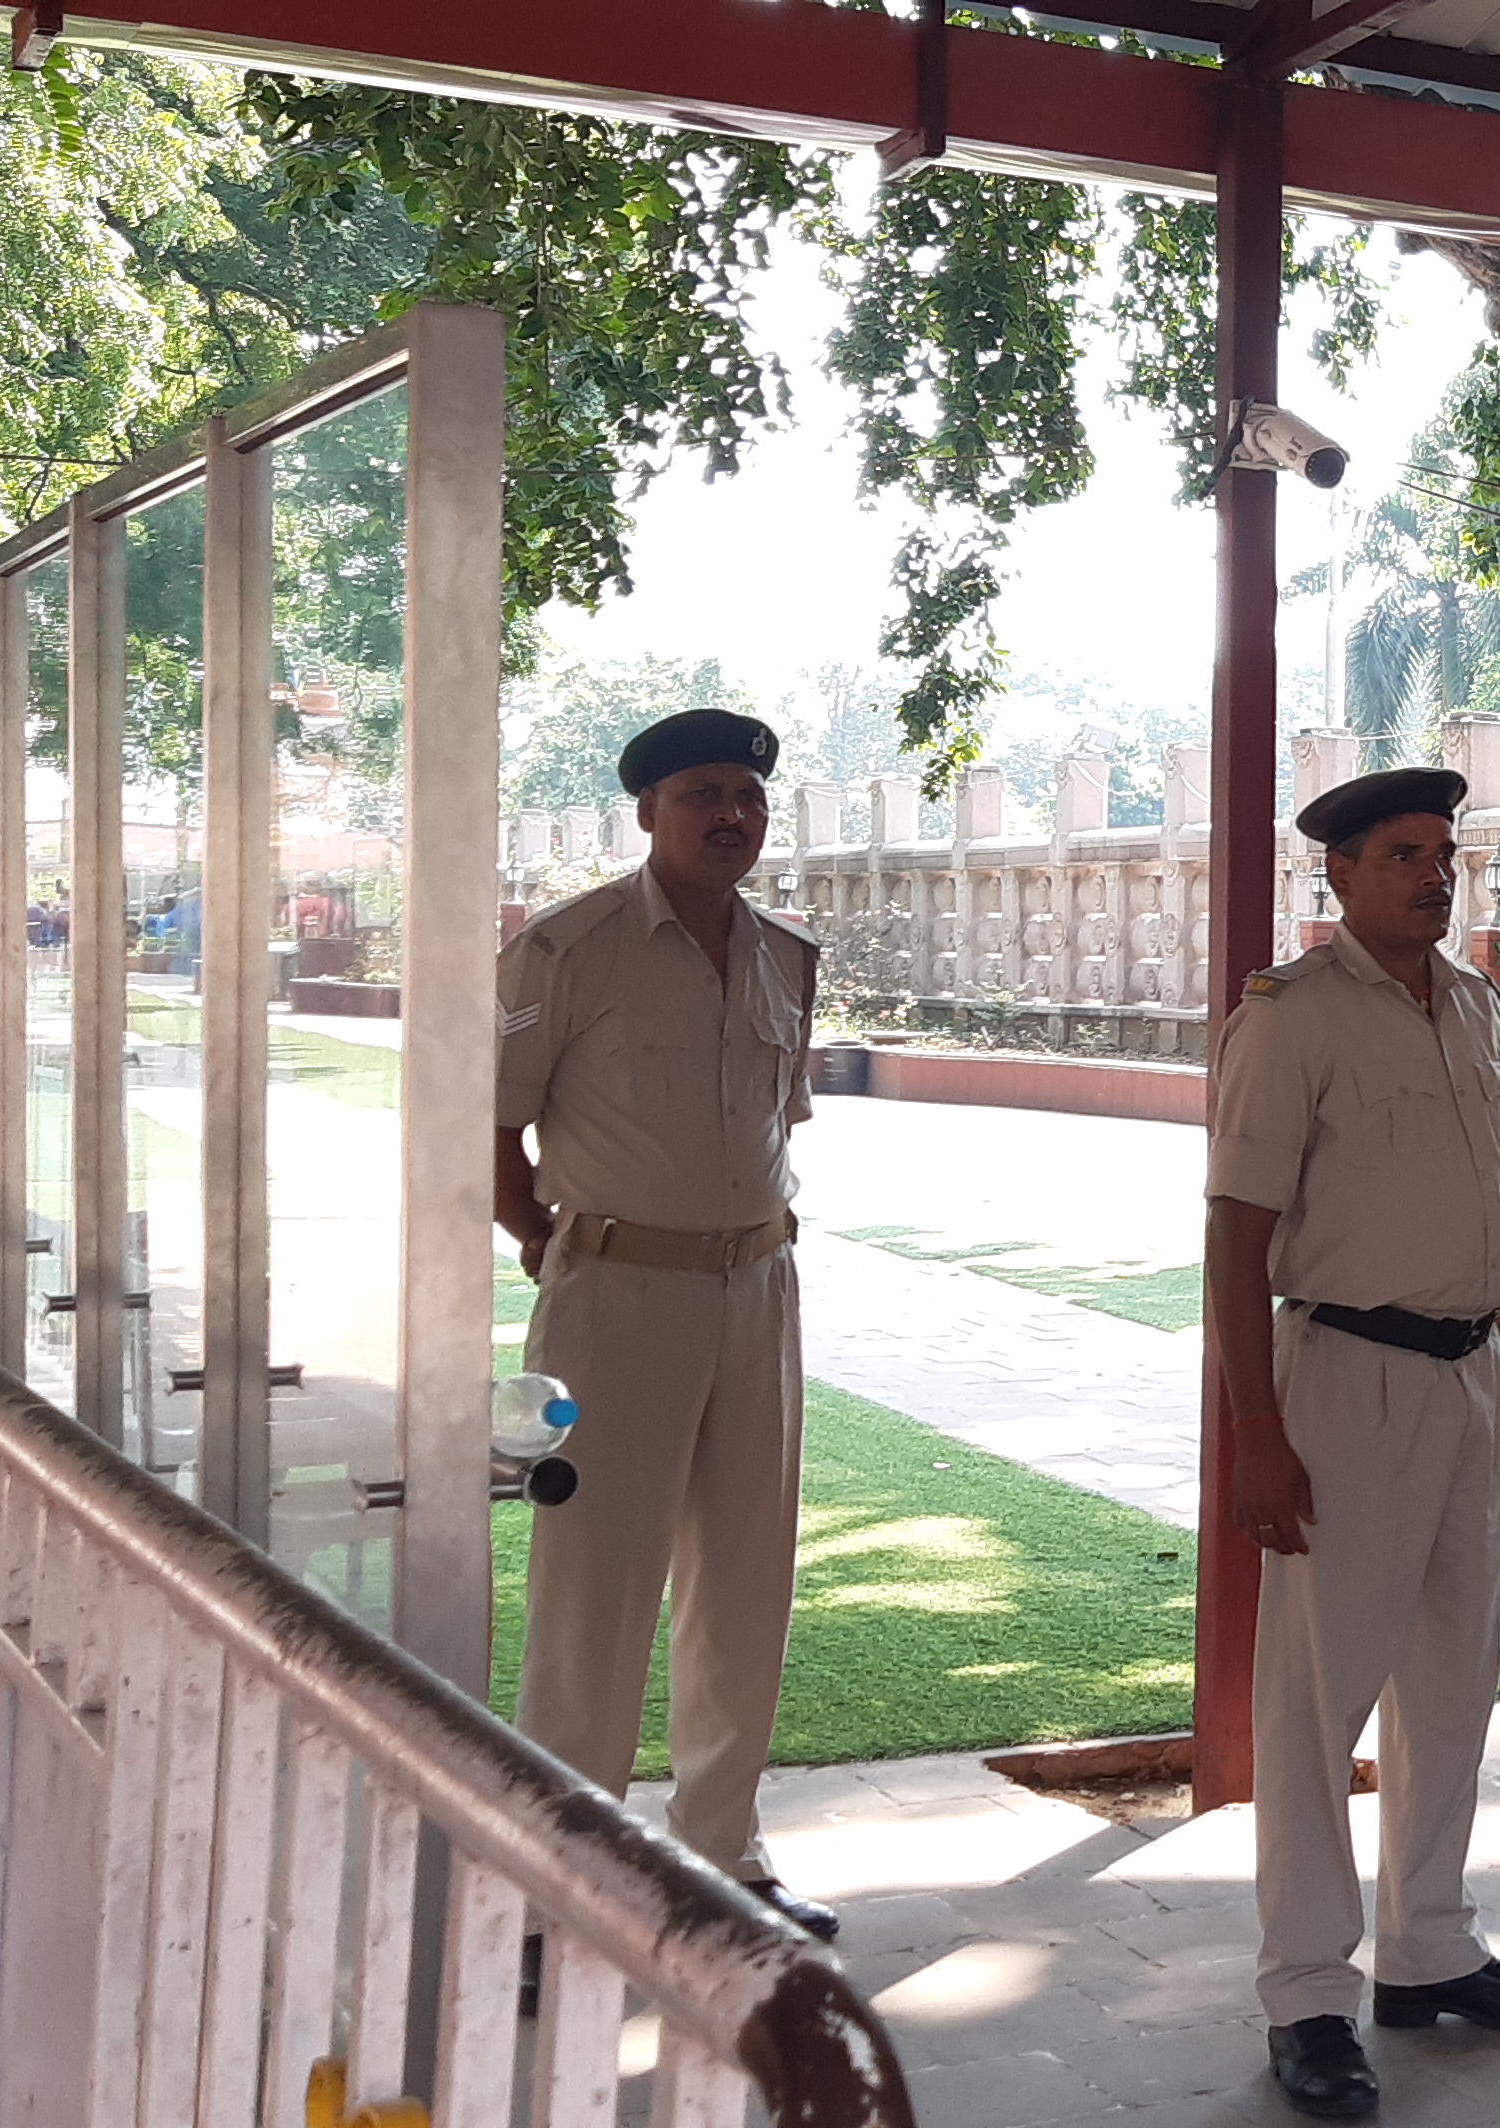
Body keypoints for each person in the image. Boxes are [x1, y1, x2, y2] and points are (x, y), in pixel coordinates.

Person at [1204, 765, 1500, 2118]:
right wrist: (1254, 1428)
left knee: (1452, 1685)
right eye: (1407, 854)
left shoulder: (1477, 1005)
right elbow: (1236, 1237)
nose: (1435, 873)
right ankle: (1310, 1993)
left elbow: (1496, 1218)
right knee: (1319, 1705)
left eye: (1446, 851)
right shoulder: (1293, 1018)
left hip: (1469, 1379)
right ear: (1343, 876)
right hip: (1345, 1381)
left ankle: (1429, 1947)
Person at [490, 708, 838, 1940]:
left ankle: (724, 1861)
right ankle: (555, 1883)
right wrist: (557, 1249)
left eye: (745, 793)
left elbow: (770, 1128)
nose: (727, 813)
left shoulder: (788, 954)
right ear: (646, 811)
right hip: (612, 1299)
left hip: (758, 1291)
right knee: (593, 1592)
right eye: (700, 792)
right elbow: (490, 1130)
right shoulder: (562, 951)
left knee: (746, 1577)